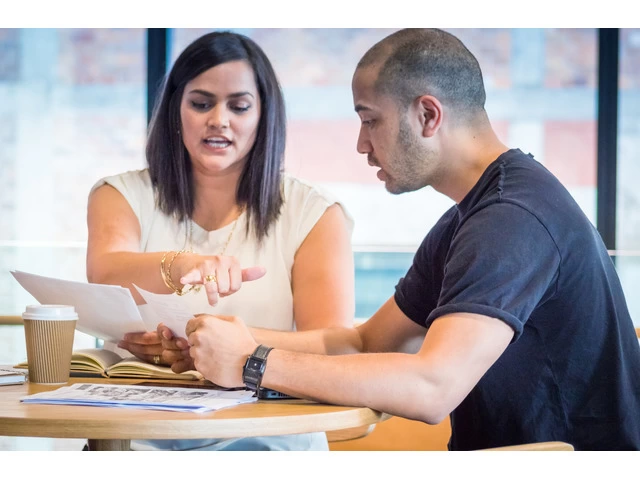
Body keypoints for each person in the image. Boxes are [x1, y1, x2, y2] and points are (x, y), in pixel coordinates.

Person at [160, 28, 640, 451]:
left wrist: (253, 362)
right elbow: (366, 342)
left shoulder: (511, 219)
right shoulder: (471, 217)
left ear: (428, 115)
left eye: (370, 120)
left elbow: (432, 387)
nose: (361, 144)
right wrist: (223, 339)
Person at [86, 31, 355, 451]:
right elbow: (105, 271)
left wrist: (220, 348)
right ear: (176, 110)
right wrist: (181, 265)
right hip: (139, 437)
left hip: (268, 439)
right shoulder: (119, 194)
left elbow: (334, 346)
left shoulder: (315, 212)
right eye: (201, 103)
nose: (219, 119)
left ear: (263, 115)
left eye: (239, 106)